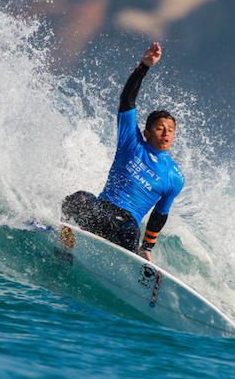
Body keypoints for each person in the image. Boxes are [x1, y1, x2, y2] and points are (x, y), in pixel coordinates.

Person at [62, 42, 184, 261]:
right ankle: (58, 234)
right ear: (147, 133)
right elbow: (127, 100)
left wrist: (147, 248)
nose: (166, 133)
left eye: (171, 130)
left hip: (126, 224)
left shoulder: (174, 177)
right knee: (80, 198)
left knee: (129, 233)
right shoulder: (132, 143)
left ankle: (127, 263)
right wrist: (144, 67)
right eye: (160, 128)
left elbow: (159, 215)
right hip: (101, 209)